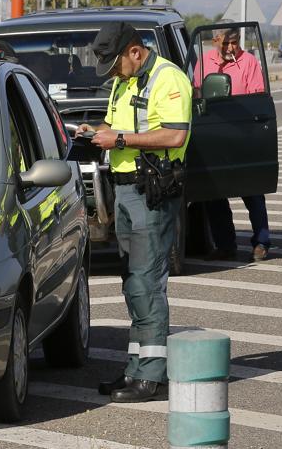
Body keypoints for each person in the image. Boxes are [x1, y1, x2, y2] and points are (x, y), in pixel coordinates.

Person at [78, 21, 191, 403]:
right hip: (125, 189)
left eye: (114, 63)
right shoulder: (124, 82)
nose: (111, 72)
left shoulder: (168, 78)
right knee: (132, 282)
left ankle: (152, 376)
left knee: (146, 282)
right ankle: (134, 370)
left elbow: (176, 134)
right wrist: (94, 131)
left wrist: (120, 139)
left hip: (151, 190)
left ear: (135, 52)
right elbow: (114, 124)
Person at [194, 25, 271, 262]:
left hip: (243, 133)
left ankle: (261, 242)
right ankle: (225, 245)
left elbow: (257, 97)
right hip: (213, 134)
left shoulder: (249, 62)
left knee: (253, 191)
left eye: (234, 43)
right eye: (225, 43)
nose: (230, 48)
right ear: (215, 40)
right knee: (214, 194)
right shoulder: (204, 62)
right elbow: (197, 94)